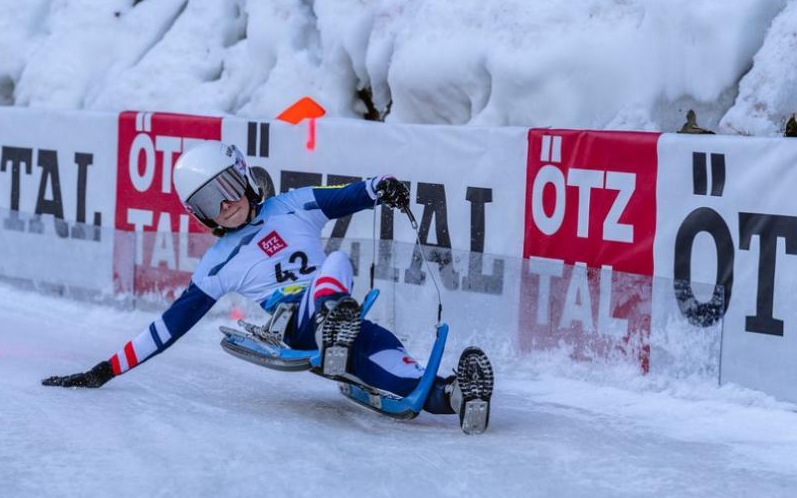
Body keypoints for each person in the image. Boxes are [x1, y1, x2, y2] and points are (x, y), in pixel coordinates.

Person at [42, 141, 494, 432]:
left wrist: (381, 188)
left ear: (242, 173)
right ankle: (329, 324)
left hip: (347, 327)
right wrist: (105, 370)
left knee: (398, 367)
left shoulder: (292, 205)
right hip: (296, 326)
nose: (225, 205)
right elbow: (166, 328)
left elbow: (347, 194)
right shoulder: (218, 263)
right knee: (336, 261)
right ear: (200, 216)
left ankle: (457, 394)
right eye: (207, 202)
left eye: (225, 187)